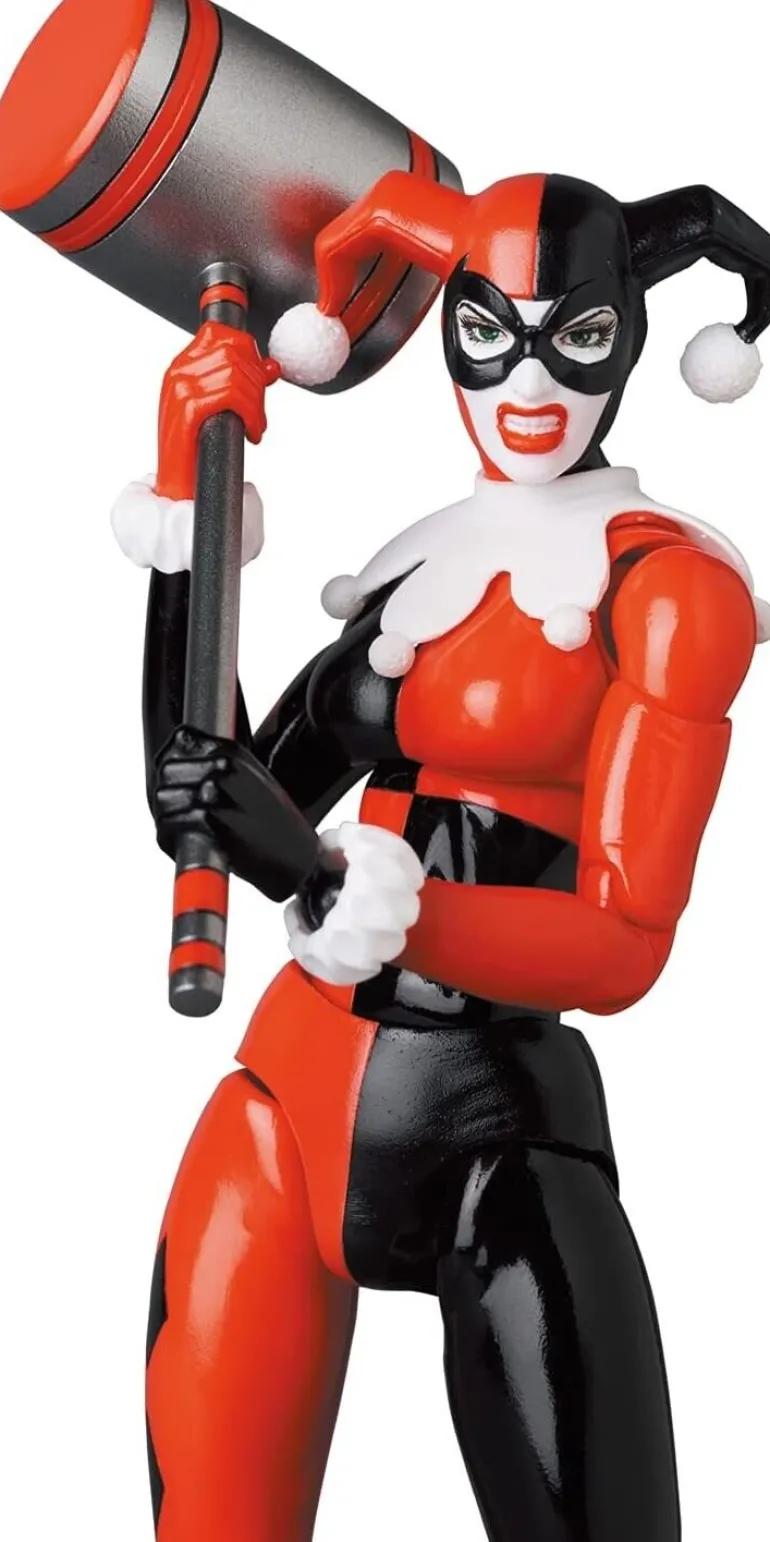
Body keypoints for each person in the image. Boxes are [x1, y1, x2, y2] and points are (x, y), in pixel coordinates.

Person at [113, 171, 768, 1542]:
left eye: (577, 336)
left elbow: (623, 942)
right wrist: (185, 520)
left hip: (499, 1136)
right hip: (286, 1108)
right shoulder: (417, 571)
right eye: (487, 332)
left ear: (633, 332)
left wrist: (335, 884)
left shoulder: (669, 590)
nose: (528, 380)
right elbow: (210, 797)